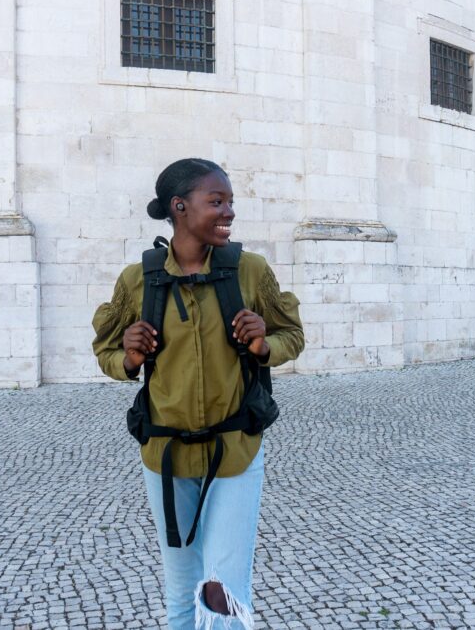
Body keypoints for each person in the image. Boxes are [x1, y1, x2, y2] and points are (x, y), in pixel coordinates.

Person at [91, 158, 304, 629]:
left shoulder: (249, 271)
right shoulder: (138, 280)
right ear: (179, 207)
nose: (228, 212)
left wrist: (264, 343)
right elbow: (106, 350)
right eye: (217, 201)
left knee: (222, 589)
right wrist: (128, 358)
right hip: (164, 454)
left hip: (235, 451)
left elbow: (293, 335)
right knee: (182, 588)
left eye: (230, 202)